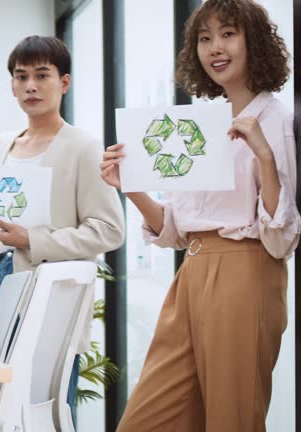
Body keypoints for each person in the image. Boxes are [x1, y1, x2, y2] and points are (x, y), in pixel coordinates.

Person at [100, 1, 300, 430]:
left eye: (228, 34)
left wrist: (263, 153)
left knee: (234, 419)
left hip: (245, 272)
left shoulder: (276, 119)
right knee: (144, 420)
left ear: (254, 41)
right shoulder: (203, 121)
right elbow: (175, 228)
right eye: (205, 38)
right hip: (190, 272)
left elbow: (281, 238)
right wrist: (131, 186)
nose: (215, 48)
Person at [0, 35, 125, 427]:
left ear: (64, 82)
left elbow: (109, 230)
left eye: (42, 75)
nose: (31, 85)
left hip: (50, 295)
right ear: (12, 85)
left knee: (41, 410)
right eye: (21, 76)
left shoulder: (84, 147)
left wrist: (35, 240)